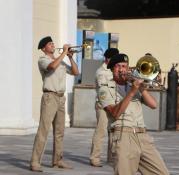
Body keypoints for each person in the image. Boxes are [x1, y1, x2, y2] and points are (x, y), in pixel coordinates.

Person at [98, 53, 169, 175]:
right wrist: (132, 91)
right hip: (123, 136)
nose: (122, 70)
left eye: (124, 66)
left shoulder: (133, 85)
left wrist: (141, 88)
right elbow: (115, 113)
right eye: (118, 66)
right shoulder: (105, 89)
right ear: (111, 69)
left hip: (142, 136)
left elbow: (153, 105)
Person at [30, 36, 79, 172]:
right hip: (50, 97)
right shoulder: (43, 60)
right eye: (49, 44)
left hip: (60, 98)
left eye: (52, 43)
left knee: (59, 132)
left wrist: (69, 57)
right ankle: (35, 161)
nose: (52, 45)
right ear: (43, 48)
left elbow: (76, 72)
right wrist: (63, 53)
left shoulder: (61, 61)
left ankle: (57, 161)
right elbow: (52, 66)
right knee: (43, 130)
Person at [90, 48, 119, 167]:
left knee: (113, 132)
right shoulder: (101, 72)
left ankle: (112, 158)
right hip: (103, 105)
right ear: (108, 59)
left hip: (114, 104)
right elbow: (104, 91)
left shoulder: (114, 70)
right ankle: (94, 158)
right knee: (101, 131)